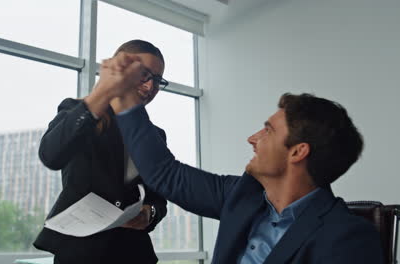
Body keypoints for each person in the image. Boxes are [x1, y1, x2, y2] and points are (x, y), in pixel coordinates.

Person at [84, 53, 384, 263]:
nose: (253, 138)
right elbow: (166, 173)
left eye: (267, 130)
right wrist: (124, 99)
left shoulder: (349, 238)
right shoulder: (242, 196)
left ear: (297, 152)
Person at [33, 40, 170, 264]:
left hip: (135, 253)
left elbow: (159, 199)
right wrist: (101, 95)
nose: (150, 87)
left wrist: (149, 213)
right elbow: (51, 154)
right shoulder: (77, 111)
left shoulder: (155, 135)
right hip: (81, 251)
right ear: (120, 70)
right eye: (144, 75)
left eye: (157, 80)